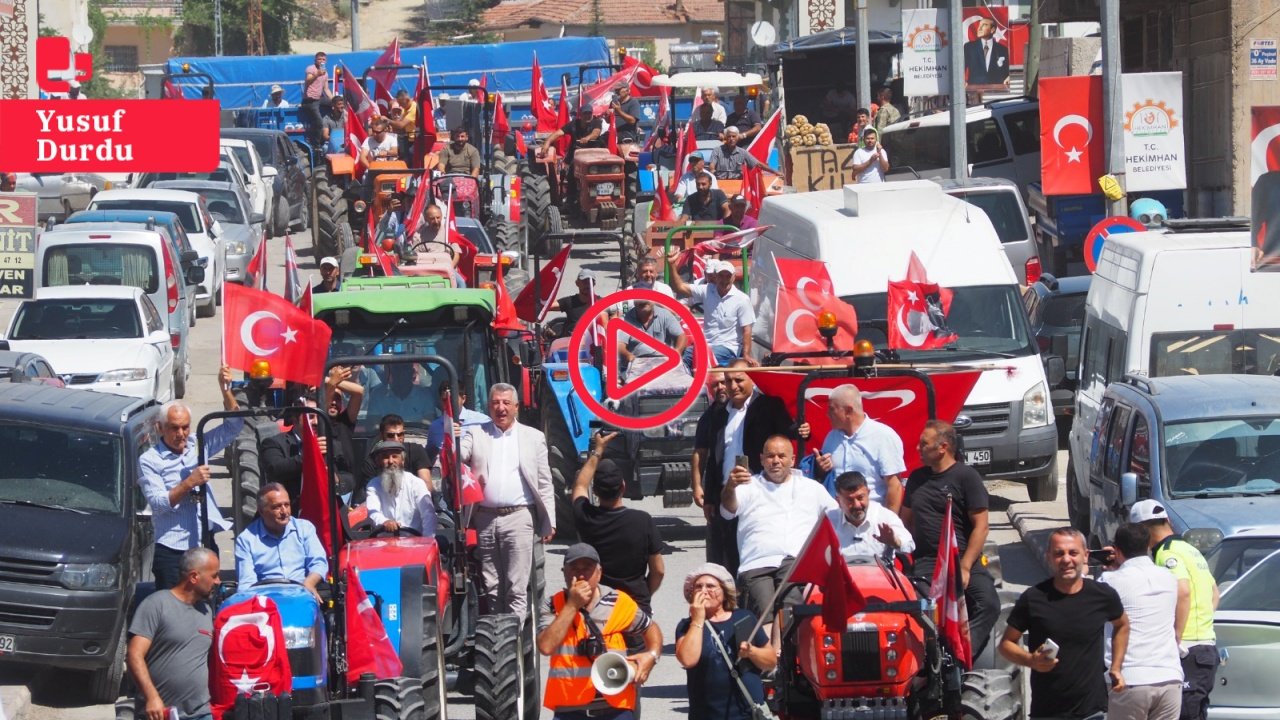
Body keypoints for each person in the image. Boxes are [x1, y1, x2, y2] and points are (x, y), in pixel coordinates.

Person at [1000, 528, 1130, 720]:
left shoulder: (1103, 595)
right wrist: (1030, 660)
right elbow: (1006, 644)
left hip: (1091, 710)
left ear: (1085, 556)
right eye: (1059, 553)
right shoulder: (1034, 598)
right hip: (1048, 711)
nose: (1066, 559)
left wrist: (1116, 667)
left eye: (1073, 553)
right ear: (1049, 557)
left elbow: (1122, 625)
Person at [901, 420, 1000, 658]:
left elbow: (981, 527)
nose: (918, 448)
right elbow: (905, 521)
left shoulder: (967, 477)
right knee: (917, 607)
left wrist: (965, 567)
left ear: (943, 447)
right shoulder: (916, 479)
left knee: (989, 603)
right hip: (926, 563)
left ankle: (960, 656)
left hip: (962, 561)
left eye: (924, 444)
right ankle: (928, 659)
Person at [536, 543, 663, 720]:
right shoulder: (553, 605)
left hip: (615, 708)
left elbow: (650, 628)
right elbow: (546, 646)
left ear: (599, 572)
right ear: (564, 572)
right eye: (574, 568)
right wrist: (572, 605)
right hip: (570, 709)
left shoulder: (618, 601)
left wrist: (652, 655)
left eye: (587, 568)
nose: (580, 574)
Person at [461, 383, 556, 617]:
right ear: (489, 406)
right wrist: (451, 436)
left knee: (516, 585)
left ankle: (512, 643)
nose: (500, 408)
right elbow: (458, 456)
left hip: (519, 517)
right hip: (484, 518)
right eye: (495, 403)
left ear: (516, 407)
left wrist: (550, 520)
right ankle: (495, 632)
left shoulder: (533, 437)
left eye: (505, 403)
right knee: (491, 584)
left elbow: (544, 481)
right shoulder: (476, 433)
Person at [721, 435, 837, 622]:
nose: (775, 461)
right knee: (763, 614)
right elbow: (727, 511)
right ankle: (771, 649)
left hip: (795, 561)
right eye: (770, 456)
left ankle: (783, 649)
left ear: (792, 460)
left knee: (789, 613)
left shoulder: (812, 488)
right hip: (757, 563)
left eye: (782, 456)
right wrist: (730, 486)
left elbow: (837, 517)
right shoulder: (748, 486)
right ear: (761, 459)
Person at [1130, 499, 1220, 720]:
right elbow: (1214, 593)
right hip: (1205, 647)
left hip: (1187, 649)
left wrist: (1176, 636)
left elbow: (1182, 591)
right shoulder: (1191, 550)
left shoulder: (1165, 554)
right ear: (1167, 521)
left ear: (1141, 531)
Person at [138, 402, 229, 590]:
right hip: (173, 550)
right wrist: (188, 483)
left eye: (185, 427)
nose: (181, 434)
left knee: (207, 605)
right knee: (173, 609)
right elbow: (158, 503)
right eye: (174, 428)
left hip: (203, 542)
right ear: (160, 428)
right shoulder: (150, 460)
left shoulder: (197, 445)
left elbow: (233, 427)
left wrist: (226, 390)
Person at [572, 431, 665, 614]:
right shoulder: (643, 521)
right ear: (623, 486)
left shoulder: (586, 516)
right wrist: (645, 594)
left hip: (599, 606)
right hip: (635, 606)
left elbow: (580, 485)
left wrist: (598, 450)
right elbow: (659, 570)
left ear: (596, 492)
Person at [1099, 523, 1183, 720]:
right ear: (1147, 546)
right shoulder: (1169, 577)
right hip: (1169, 677)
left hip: (1130, 678)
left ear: (1117, 550)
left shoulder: (1109, 581)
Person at [126, 547, 220, 720]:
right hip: (160, 713)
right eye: (214, 576)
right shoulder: (156, 604)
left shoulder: (206, 611)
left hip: (200, 712)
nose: (218, 581)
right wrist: (152, 697)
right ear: (194, 577)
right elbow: (134, 654)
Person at [675, 563, 775, 720]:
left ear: (724, 592)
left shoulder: (744, 618)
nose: (704, 591)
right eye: (698, 587)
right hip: (706, 714)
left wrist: (752, 652)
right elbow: (688, 659)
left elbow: (770, 661)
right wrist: (698, 619)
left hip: (747, 712)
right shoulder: (686, 626)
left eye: (710, 586)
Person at [814, 384, 906, 509]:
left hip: (872, 515)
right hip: (838, 516)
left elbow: (894, 486)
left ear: (848, 411)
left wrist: (889, 522)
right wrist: (821, 468)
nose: (827, 414)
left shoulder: (884, 436)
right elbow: (825, 477)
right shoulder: (831, 437)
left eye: (831, 409)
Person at [234, 483, 328, 601]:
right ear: (262, 511)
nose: (284, 511)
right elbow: (247, 584)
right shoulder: (246, 540)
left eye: (287, 505)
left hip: (301, 595)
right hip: (266, 600)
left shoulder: (305, 529)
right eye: (277, 507)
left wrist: (309, 584)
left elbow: (319, 563)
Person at [665, 257, 752, 368]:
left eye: (728, 276)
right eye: (721, 276)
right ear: (715, 277)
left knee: (701, 355)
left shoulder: (742, 299)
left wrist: (746, 356)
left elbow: (747, 330)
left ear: (733, 277)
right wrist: (672, 265)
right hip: (706, 345)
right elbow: (680, 287)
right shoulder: (707, 290)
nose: (724, 280)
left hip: (728, 348)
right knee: (684, 356)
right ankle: (688, 382)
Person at [260, 401, 350, 505]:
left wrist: (336, 479)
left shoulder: (332, 444)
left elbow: (349, 476)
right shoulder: (273, 443)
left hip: (329, 509)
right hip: (294, 511)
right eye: (310, 417)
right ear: (294, 419)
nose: (316, 422)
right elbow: (275, 469)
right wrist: (311, 455)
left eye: (320, 417)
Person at [828, 471, 913, 560]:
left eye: (860, 498)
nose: (857, 505)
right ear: (838, 501)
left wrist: (895, 542)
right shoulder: (828, 521)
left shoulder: (884, 516)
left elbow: (910, 546)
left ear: (868, 493)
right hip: (841, 571)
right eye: (850, 500)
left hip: (878, 571)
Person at [357, 413, 434, 503]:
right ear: (381, 436)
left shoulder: (417, 451)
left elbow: (427, 486)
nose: (397, 439)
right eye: (391, 435)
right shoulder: (371, 461)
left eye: (400, 434)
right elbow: (370, 494)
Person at [365, 440, 437, 537]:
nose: (390, 461)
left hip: (414, 545)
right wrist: (384, 521)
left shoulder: (416, 483)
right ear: (378, 462)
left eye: (395, 456)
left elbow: (428, 515)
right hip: (384, 545)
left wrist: (427, 542)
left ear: (402, 461)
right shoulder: (373, 485)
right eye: (385, 457)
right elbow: (372, 512)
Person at [425, 382, 489, 465]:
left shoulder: (482, 422)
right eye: (445, 400)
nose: (449, 404)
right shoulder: (435, 427)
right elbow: (430, 456)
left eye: (452, 400)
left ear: (463, 399)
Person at [619, 298, 688, 370]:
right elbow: (620, 344)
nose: (643, 301)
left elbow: (681, 336)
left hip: (664, 359)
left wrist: (677, 351)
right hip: (636, 361)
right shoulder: (625, 318)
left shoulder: (665, 314)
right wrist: (627, 355)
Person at [366, 363, 434, 424]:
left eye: (405, 370)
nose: (401, 374)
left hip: (418, 437)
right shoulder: (377, 395)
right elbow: (373, 426)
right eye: (397, 370)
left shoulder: (424, 395)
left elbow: (429, 424)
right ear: (391, 373)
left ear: (412, 373)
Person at [551, 268, 600, 338]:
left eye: (590, 282)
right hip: (569, 343)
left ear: (594, 284)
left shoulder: (601, 304)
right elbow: (546, 306)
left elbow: (616, 312)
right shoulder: (569, 301)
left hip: (592, 344)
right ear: (577, 283)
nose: (587, 285)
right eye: (584, 282)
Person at [964, 17, 1010, 85]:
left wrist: (1008, 78)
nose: (979, 28)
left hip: (996, 90)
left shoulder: (1002, 49)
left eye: (984, 25)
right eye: (979, 25)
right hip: (974, 90)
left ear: (992, 30)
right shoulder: (969, 47)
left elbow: (1007, 71)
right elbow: (960, 67)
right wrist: (962, 82)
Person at [301, 52, 331, 144]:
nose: (321, 61)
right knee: (318, 122)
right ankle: (316, 143)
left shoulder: (325, 73)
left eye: (323, 59)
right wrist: (317, 74)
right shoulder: (311, 69)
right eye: (319, 59)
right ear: (315, 60)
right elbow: (308, 81)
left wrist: (333, 100)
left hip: (318, 99)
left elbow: (326, 89)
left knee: (335, 104)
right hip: (309, 100)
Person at [388, 89, 419, 161]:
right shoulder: (405, 109)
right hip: (408, 138)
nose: (400, 105)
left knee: (410, 153)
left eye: (400, 103)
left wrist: (388, 120)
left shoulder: (414, 109)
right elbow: (398, 124)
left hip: (416, 140)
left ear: (407, 100)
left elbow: (401, 125)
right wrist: (393, 119)